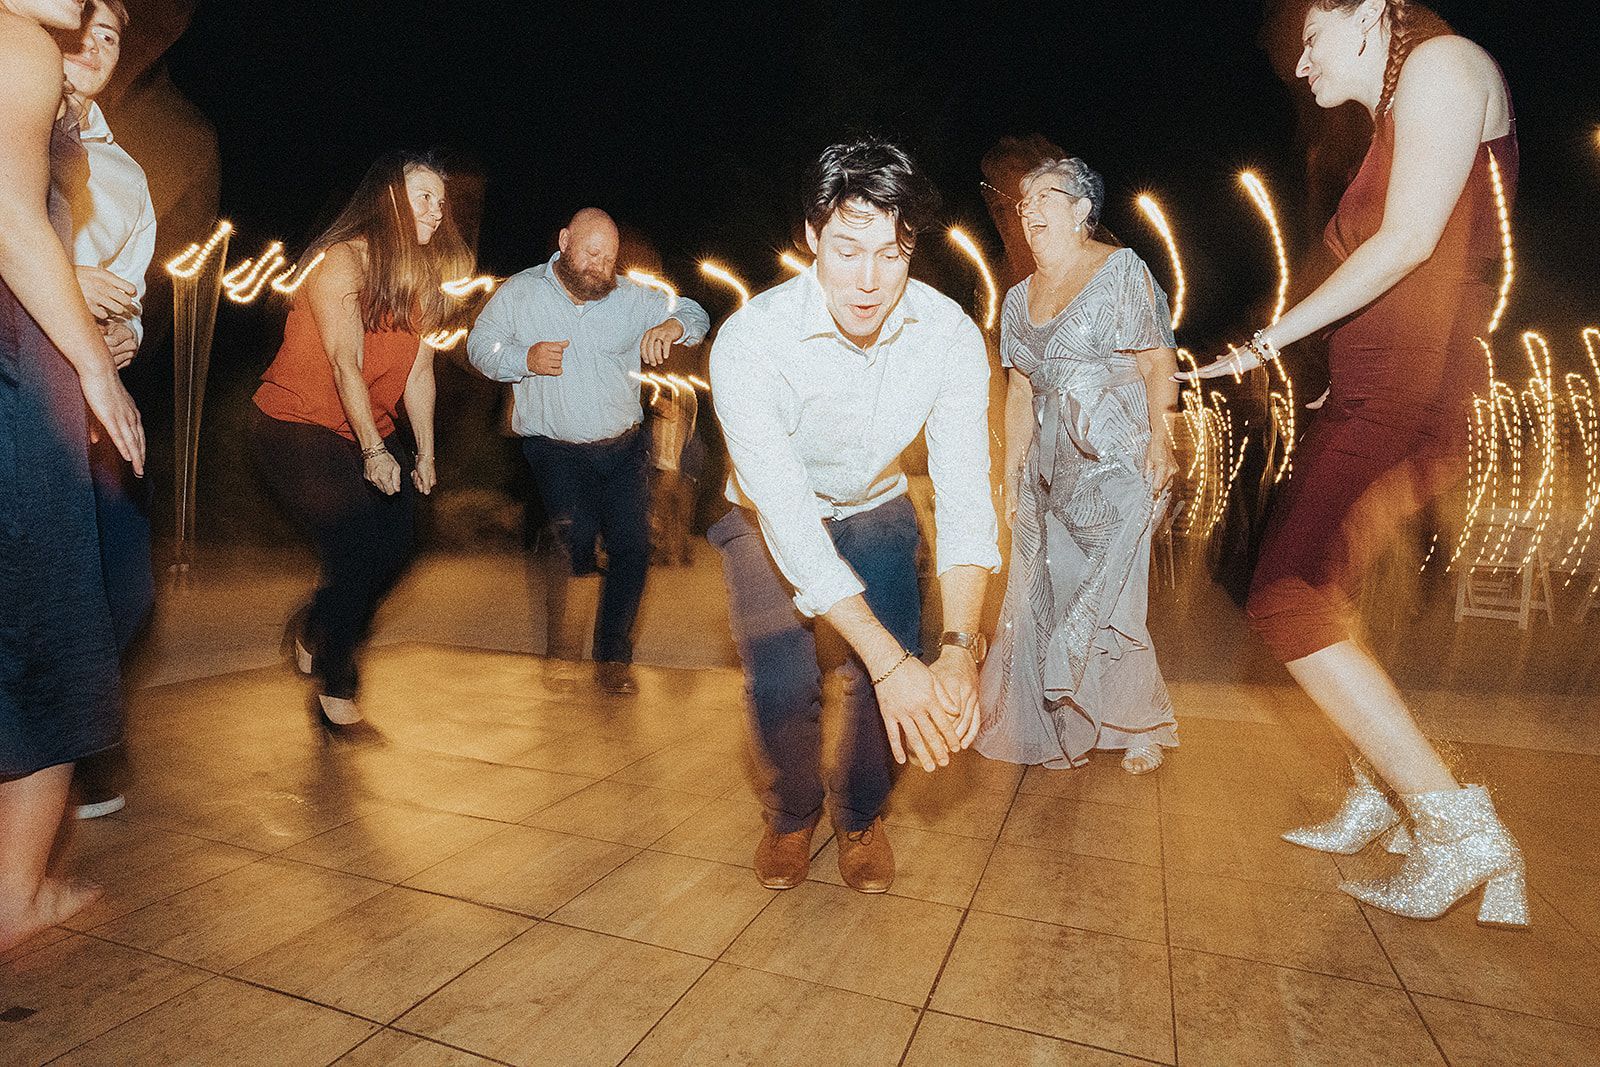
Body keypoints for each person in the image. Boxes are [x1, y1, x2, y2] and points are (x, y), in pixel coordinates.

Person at [1179, 0, 1527, 926]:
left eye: (1311, 42)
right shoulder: (1400, 108)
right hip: (1373, 391)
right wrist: (1331, 376)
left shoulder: (1446, 68)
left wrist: (1267, 345)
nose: (1298, 68)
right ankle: (1391, 784)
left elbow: (1411, 243)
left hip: (1408, 398)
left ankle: (1457, 823)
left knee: (1286, 595)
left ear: (1368, 11)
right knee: (1321, 592)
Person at [709, 137, 999, 893]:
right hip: (769, 522)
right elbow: (793, 528)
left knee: (889, 678)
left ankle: (861, 813)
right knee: (781, 683)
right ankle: (792, 812)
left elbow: (968, 500)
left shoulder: (949, 338)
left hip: (877, 508)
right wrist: (897, 663)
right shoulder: (750, 343)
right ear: (811, 237)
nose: (869, 280)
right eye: (846, 250)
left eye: (892, 253)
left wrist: (962, 648)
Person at [0, 0, 147, 954]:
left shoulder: (118, 162)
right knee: (52, 618)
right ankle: (17, 896)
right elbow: (12, 217)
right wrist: (94, 368)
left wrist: (115, 337)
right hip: (22, 362)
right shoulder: (14, 42)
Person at [975, 158, 1181, 776]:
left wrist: (1163, 438)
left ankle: (1137, 723)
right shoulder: (1016, 300)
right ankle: (1061, 719)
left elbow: (1155, 361)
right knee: (1044, 591)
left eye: (1046, 196)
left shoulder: (1122, 271)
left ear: (1082, 209)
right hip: (1048, 467)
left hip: (1116, 454)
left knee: (1115, 593)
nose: (1029, 208)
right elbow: (1017, 394)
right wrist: (1010, 472)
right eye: (1023, 200)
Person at [252, 151, 472, 728]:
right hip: (294, 423)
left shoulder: (426, 283)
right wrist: (375, 452)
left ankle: (320, 624)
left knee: (405, 539)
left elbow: (419, 375)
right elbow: (346, 363)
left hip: (365, 427)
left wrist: (424, 452)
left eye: (440, 201)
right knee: (354, 540)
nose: (435, 210)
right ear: (389, 201)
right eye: (423, 196)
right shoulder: (340, 263)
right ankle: (337, 687)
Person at [466, 208, 709, 695]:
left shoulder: (632, 299)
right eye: (592, 253)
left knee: (633, 550)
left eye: (611, 258)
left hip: (621, 449)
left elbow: (694, 312)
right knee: (573, 544)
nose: (602, 266)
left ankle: (613, 659)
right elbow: (478, 346)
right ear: (564, 240)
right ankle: (561, 650)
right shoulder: (521, 293)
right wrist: (523, 359)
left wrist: (672, 328)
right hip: (553, 449)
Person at [64, 0, 156, 820]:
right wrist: (66, 279)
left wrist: (124, 329)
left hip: (89, 405)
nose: (96, 43)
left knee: (125, 587)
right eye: (84, 23)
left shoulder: (125, 174)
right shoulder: (10, 110)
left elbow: (130, 287)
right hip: (18, 378)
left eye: (112, 35)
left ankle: (79, 735)